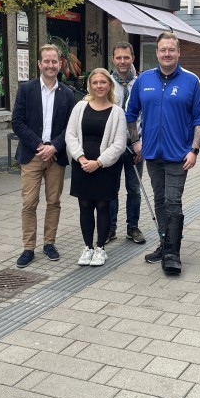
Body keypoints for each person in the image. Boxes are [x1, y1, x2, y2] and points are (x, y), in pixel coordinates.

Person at [125, 32, 200, 275]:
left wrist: (194, 150)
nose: (167, 54)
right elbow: (131, 114)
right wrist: (136, 142)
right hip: (152, 155)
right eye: (163, 50)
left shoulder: (191, 81)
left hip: (179, 156)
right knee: (160, 201)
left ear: (178, 52)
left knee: (173, 201)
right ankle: (164, 243)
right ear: (157, 52)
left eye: (171, 50)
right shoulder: (144, 80)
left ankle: (173, 253)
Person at [11, 44, 76, 267]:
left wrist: (54, 146)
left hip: (55, 156)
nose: (50, 65)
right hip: (32, 154)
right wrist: (39, 145)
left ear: (60, 64)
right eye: (46, 61)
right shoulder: (26, 89)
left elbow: (70, 127)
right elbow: (17, 122)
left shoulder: (67, 93)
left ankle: (49, 243)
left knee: (53, 202)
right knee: (29, 203)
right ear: (39, 64)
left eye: (54, 61)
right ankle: (28, 248)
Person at [66, 68, 128, 266]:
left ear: (109, 85)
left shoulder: (117, 112)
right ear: (90, 86)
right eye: (95, 83)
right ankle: (87, 248)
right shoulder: (80, 107)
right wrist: (81, 158)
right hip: (82, 165)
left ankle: (100, 248)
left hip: (105, 167)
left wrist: (99, 162)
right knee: (84, 206)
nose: (99, 86)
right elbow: (70, 135)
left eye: (103, 82)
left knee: (102, 206)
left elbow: (119, 144)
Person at [108, 41, 146, 245]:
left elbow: (147, 116)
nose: (122, 61)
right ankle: (110, 228)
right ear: (113, 59)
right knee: (111, 189)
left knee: (134, 189)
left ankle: (133, 227)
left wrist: (142, 143)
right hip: (112, 146)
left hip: (136, 146)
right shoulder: (106, 82)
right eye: (119, 57)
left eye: (126, 57)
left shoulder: (142, 83)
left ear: (132, 58)